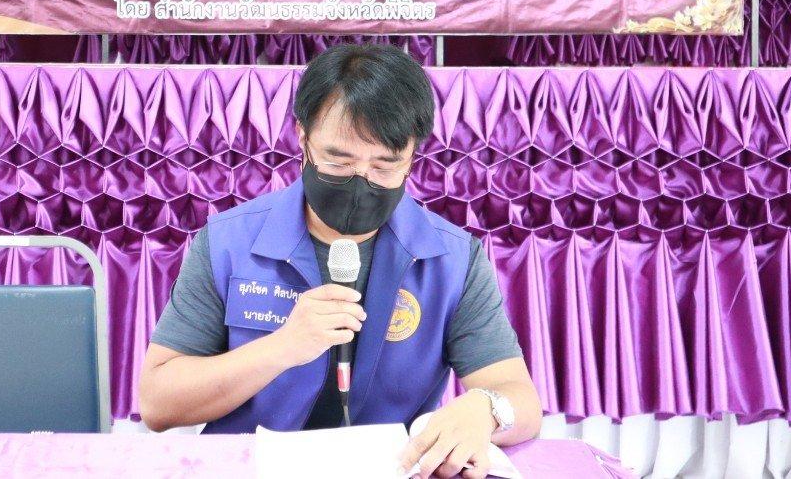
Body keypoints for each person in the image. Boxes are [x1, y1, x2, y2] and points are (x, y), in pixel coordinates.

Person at [138, 43, 542, 478]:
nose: (361, 181)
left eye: (384, 166)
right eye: (338, 160)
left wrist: (486, 409)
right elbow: (158, 404)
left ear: (412, 157)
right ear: (303, 138)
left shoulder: (451, 258)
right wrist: (281, 348)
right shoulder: (229, 242)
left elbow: (520, 398)